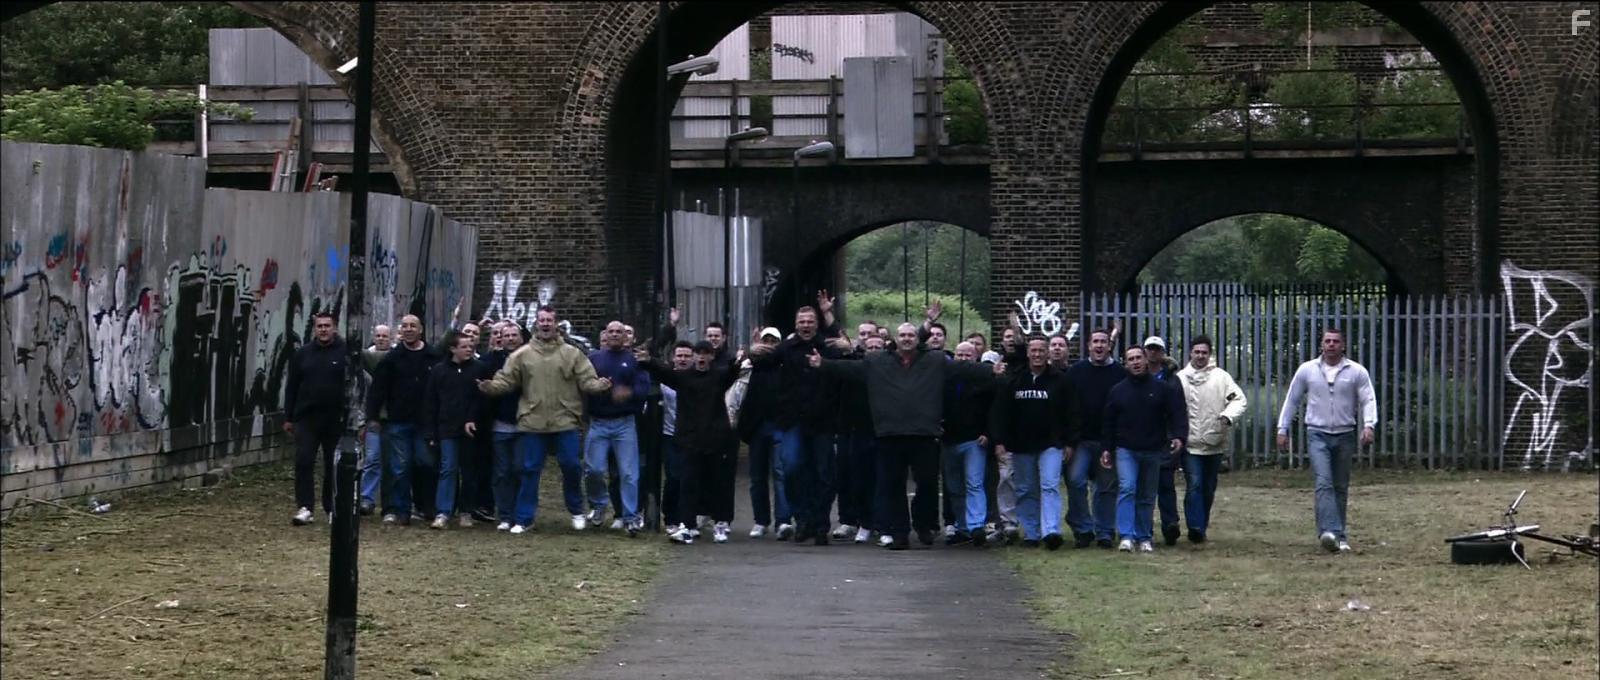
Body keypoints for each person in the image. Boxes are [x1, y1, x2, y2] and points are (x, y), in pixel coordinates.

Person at [812, 322, 1000, 550]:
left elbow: (963, 369)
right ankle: (900, 532)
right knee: (893, 486)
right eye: (903, 335)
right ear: (896, 339)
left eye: (911, 335)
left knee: (928, 484)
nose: (907, 339)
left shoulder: (935, 360)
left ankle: (922, 525)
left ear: (917, 339)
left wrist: (990, 370)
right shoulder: (877, 361)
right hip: (890, 433)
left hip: (924, 434)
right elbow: (849, 369)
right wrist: (823, 364)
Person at [478, 306, 612, 535]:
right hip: (533, 420)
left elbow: (586, 379)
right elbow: (506, 380)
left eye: (550, 320)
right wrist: (491, 387)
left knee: (571, 466)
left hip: (565, 419)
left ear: (556, 323)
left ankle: (576, 510)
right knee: (529, 470)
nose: (546, 324)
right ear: (536, 324)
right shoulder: (522, 355)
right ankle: (524, 518)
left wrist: (599, 386)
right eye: (542, 320)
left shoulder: (571, 353)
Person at [748, 293, 845, 545]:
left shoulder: (826, 347)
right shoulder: (786, 348)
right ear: (795, 324)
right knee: (791, 469)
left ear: (816, 324)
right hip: (792, 421)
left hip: (822, 421)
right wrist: (753, 350)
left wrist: (828, 314)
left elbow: (845, 346)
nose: (805, 325)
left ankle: (820, 523)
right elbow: (761, 362)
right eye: (801, 321)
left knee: (824, 475)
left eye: (810, 321)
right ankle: (802, 518)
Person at [1276, 328, 1377, 553]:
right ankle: (1329, 532)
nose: (1331, 344)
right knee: (1324, 482)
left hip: (1345, 433)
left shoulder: (1356, 371)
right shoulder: (1307, 370)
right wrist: (1282, 428)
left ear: (1343, 345)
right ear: (1321, 344)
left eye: (1336, 341)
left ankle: (1338, 536)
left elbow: (1368, 399)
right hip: (1317, 432)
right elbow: (1292, 399)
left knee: (1340, 485)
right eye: (1327, 341)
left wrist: (1369, 425)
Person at [638, 341, 745, 544]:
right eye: (698, 354)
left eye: (706, 354)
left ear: (712, 357)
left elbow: (733, 371)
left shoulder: (719, 376)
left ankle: (720, 522)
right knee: (687, 483)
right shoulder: (683, 377)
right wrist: (648, 360)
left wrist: (739, 359)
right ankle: (687, 525)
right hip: (690, 439)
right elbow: (664, 372)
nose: (701, 358)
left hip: (715, 438)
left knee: (717, 483)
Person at [989, 337, 1078, 550]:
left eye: (1041, 350)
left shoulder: (1061, 380)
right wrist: (999, 441)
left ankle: (1051, 532)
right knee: (1025, 489)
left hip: (1052, 444)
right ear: (1028, 353)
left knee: (1049, 486)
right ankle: (1031, 532)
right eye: (1034, 350)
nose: (1038, 354)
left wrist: (1070, 442)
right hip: (1020, 444)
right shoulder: (1015, 379)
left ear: (1048, 353)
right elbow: (1001, 412)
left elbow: (1072, 413)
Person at [1104, 346, 1188, 553]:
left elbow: (1177, 413)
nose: (1135, 362)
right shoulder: (1118, 391)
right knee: (1127, 488)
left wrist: (1179, 436)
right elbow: (1108, 422)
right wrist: (1107, 448)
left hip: (1153, 449)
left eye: (1138, 358)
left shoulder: (1162, 388)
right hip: (1126, 449)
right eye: (1130, 359)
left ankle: (1144, 536)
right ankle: (1126, 535)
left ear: (1145, 360)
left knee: (1147, 494)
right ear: (1126, 363)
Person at [366, 314, 442, 526]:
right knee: (400, 466)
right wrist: (372, 417)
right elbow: (377, 389)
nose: (408, 329)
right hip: (398, 421)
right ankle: (400, 510)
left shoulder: (432, 357)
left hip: (425, 422)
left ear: (421, 330)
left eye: (413, 326)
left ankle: (425, 505)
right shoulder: (392, 358)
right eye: (405, 326)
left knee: (425, 463)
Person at [583, 321, 652, 536]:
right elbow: (582, 384)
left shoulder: (634, 360)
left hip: (624, 423)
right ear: (605, 334)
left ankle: (630, 517)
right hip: (598, 422)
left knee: (629, 473)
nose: (614, 335)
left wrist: (628, 393)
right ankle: (599, 504)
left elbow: (644, 387)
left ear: (625, 337)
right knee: (593, 470)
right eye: (610, 331)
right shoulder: (594, 358)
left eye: (618, 332)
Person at [1177, 335, 1246, 543]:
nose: (1200, 356)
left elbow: (1239, 400)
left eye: (1204, 352)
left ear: (1210, 354)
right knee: (1195, 484)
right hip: (1189, 444)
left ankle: (1202, 524)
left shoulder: (1221, 378)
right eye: (1197, 352)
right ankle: (1195, 527)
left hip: (1214, 443)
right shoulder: (1180, 379)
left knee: (1208, 488)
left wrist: (1227, 416)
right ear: (1190, 353)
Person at [1064, 328, 1127, 548]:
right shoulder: (1076, 372)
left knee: (1106, 487)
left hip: (1107, 441)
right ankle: (1082, 528)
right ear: (1088, 346)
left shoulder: (1120, 373)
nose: (1099, 346)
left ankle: (1104, 532)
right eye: (1095, 342)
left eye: (1103, 342)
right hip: (1081, 439)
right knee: (1075, 480)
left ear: (1109, 345)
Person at [284, 312, 348, 525]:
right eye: (319, 326)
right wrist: (289, 417)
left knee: (333, 465)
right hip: (306, 418)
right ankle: (305, 507)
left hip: (335, 418)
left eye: (327, 326)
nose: (323, 329)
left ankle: (332, 507)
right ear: (314, 329)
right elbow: (292, 386)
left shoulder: (345, 352)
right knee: (304, 461)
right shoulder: (303, 354)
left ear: (335, 328)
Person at [422, 333, 485, 529]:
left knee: (468, 471)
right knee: (448, 469)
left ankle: (466, 510)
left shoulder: (478, 369)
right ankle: (443, 512)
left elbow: (481, 399)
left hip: (470, 430)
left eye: (471, 346)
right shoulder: (440, 371)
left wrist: (472, 419)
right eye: (464, 346)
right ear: (453, 349)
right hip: (447, 428)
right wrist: (431, 432)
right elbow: (431, 402)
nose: (469, 349)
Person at [941, 341, 999, 546]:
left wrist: (988, 433)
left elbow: (994, 409)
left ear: (976, 357)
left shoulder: (985, 380)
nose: (964, 359)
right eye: (959, 355)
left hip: (974, 439)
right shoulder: (944, 379)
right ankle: (962, 526)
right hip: (948, 439)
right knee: (954, 487)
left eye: (968, 355)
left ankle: (976, 526)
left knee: (974, 483)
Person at [737, 327, 791, 539]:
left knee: (780, 473)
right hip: (757, 425)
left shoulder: (785, 365)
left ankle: (783, 520)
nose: (769, 344)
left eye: (773, 341)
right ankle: (761, 520)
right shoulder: (753, 364)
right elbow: (742, 366)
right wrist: (752, 349)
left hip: (778, 424)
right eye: (765, 340)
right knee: (757, 476)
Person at [830, 333, 883, 543]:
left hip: (884, 430)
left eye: (878, 346)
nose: (874, 350)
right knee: (854, 477)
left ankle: (880, 523)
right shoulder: (854, 366)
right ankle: (858, 521)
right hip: (855, 429)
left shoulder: (894, 367)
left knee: (882, 479)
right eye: (870, 346)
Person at [1143, 336, 1188, 546]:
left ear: (1162, 353)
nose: (1153, 353)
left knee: (1165, 484)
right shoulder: (1136, 376)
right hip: (1141, 437)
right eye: (1149, 349)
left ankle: (1170, 524)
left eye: (1156, 349)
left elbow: (1179, 411)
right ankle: (1145, 528)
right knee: (1144, 487)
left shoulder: (1172, 380)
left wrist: (1179, 436)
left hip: (1165, 438)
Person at [481, 321, 525, 531]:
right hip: (500, 425)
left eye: (513, 335)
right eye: (505, 335)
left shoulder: (530, 359)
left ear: (521, 337)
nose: (509, 338)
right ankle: (505, 515)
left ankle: (520, 514)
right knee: (501, 472)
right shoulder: (490, 361)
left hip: (524, 425)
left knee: (520, 470)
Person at [656, 341, 694, 533]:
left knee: (690, 477)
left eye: (687, 356)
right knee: (673, 477)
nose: (683, 359)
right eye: (679, 355)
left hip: (692, 435)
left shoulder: (698, 380)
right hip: (670, 434)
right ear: (673, 358)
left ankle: (688, 518)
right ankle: (670, 517)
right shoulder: (665, 382)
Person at [358, 323, 393, 515]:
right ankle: (367, 498)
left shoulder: (396, 357)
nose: (381, 339)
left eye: (385, 336)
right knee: (372, 458)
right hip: (374, 418)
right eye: (378, 336)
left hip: (394, 417)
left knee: (394, 462)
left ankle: (391, 502)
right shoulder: (367, 359)